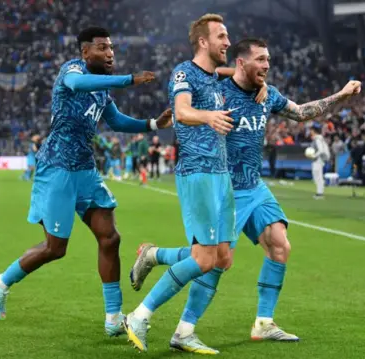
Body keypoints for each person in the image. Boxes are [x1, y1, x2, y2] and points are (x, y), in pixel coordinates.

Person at [128, 38, 361, 353]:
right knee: (217, 261)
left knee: (280, 245)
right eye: (261, 60)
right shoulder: (218, 93)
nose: (267, 65)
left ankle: (264, 323)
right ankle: (181, 320)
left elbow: (302, 113)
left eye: (268, 59)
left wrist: (342, 94)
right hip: (227, 188)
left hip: (255, 186)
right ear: (241, 62)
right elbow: (189, 95)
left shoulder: (269, 95)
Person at [0, 27, 172, 337]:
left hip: (85, 169)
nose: (110, 53)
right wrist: (128, 79)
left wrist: (153, 124)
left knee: (110, 238)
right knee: (55, 248)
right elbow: (77, 83)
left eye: (112, 47)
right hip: (57, 167)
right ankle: (1, 281)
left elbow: (116, 121)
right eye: (102, 48)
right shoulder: (72, 70)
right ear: (86, 52)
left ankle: (113, 318)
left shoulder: (102, 91)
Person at [124, 14, 236, 353]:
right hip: (197, 172)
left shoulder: (215, 75)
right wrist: (208, 116)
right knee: (204, 259)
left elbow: (234, 72)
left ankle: (155, 259)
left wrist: (254, 78)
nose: (227, 42)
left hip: (222, 172)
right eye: (221, 36)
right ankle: (139, 316)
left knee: (222, 257)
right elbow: (182, 110)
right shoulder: (183, 73)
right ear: (203, 42)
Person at [309, 124, 331, 199]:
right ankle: (319, 192)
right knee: (317, 176)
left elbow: (320, 150)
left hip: (318, 159)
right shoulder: (317, 138)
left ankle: (320, 193)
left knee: (318, 176)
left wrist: (314, 155)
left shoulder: (318, 139)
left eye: (311, 130)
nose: (310, 132)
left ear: (314, 131)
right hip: (319, 159)